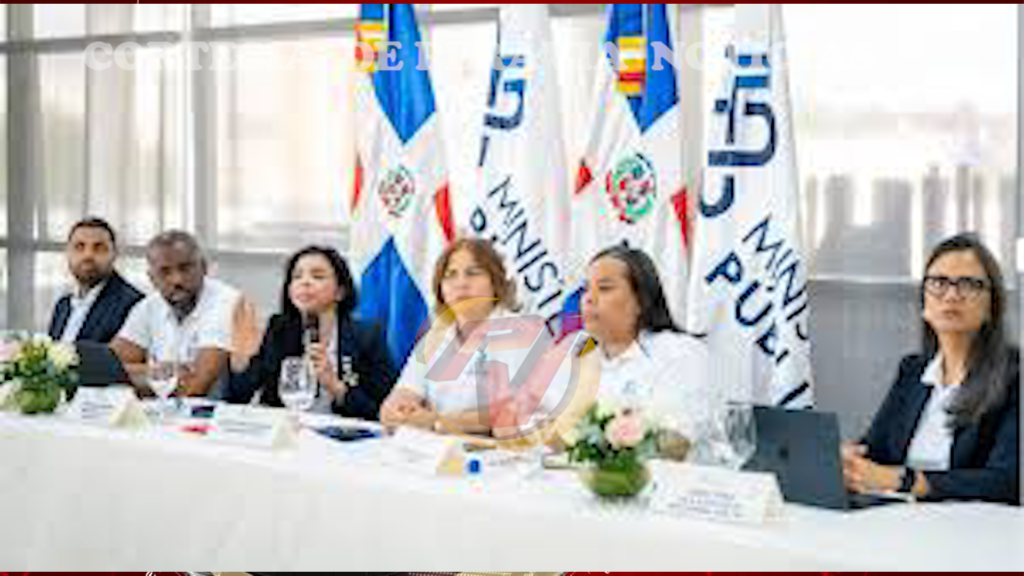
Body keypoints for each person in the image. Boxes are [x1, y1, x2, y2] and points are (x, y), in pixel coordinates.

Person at [842, 233, 1019, 504]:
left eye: (968, 284)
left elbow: (1007, 481)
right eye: (939, 283)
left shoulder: (1014, 378)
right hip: (899, 520)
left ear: (991, 307)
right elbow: (875, 450)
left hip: (972, 526)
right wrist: (849, 459)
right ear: (924, 302)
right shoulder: (913, 371)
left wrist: (908, 481)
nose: (951, 295)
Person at [380, 238, 575, 437]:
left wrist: (436, 421)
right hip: (436, 448)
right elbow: (397, 401)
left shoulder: (526, 332)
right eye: (450, 275)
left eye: (473, 273)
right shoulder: (434, 338)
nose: (461, 284)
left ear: (495, 283)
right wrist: (400, 410)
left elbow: (515, 412)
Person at [226, 246, 395, 420]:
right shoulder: (278, 329)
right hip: (288, 430)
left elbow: (382, 411)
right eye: (297, 276)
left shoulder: (367, 335)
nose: (305, 282)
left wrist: (335, 385)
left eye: (317, 276)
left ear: (340, 292)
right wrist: (241, 359)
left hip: (342, 433)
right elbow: (237, 399)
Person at [579, 245, 716, 447]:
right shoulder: (579, 360)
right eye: (585, 289)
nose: (589, 299)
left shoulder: (682, 353)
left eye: (604, 288)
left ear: (641, 301)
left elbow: (677, 445)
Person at [110, 230, 258, 398]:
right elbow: (107, 371)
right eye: (165, 272)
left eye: (185, 268)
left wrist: (140, 377)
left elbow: (195, 388)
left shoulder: (227, 302)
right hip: (155, 409)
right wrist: (158, 371)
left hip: (209, 411)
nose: (177, 280)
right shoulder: (148, 306)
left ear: (204, 267)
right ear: (152, 278)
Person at [47, 217, 144, 344]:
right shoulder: (62, 306)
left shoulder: (134, 305)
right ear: (68, 253)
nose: (88, 255)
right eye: (79, 247)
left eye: (99, 248)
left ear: (114, 254)